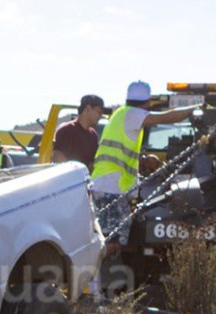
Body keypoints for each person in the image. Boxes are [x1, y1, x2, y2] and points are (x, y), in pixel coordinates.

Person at [91, 81, 200, 245]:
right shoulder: (134, 114)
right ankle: (93, 267)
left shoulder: (121, 113)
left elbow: (122, 149)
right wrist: (194, 109)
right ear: (147, 101)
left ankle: (96, 266)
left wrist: (142, 159)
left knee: (110, 237)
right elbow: (166, 117)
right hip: (112, 187)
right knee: (114, 239)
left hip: (106, 184)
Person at [52, 94, 103, 170]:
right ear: (88, 109)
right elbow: (58, 159)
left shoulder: (93, 135)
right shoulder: (67, 131)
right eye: (99, 112)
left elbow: (91, 165)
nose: (100, 116)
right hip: (70, 180)